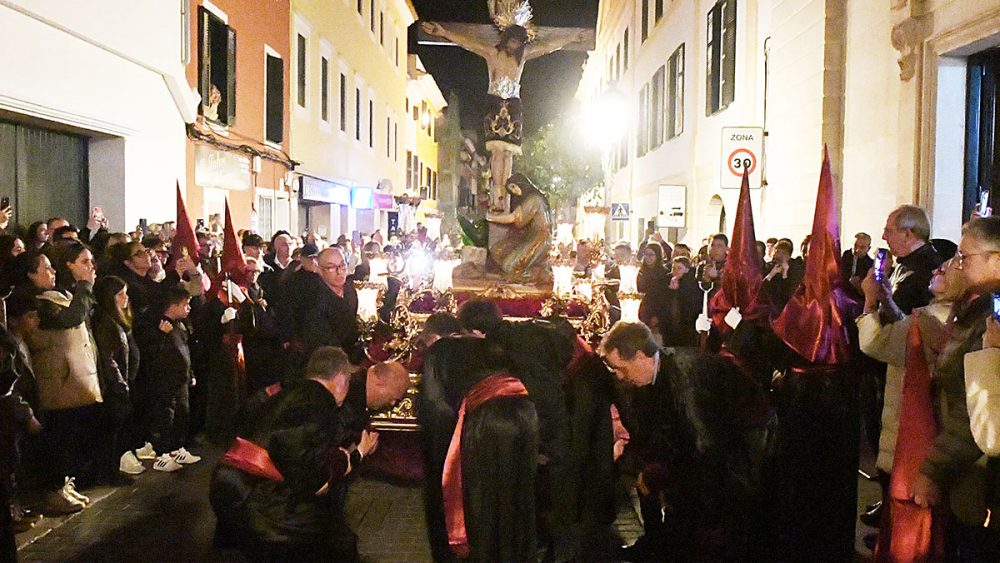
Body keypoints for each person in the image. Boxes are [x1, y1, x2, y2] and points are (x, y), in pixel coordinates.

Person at [599, 321, 771, 561]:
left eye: (620, 368)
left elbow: (705, 445)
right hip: (711, 439)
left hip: (745, 435)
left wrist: (669, 476)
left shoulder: (686, 376)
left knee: (714, 516)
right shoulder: (654, 375)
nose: (619, 376)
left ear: (639, 356)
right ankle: (664, 545)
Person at [211, 346, 377, 561]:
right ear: (340, 379)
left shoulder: (288, 392)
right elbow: (316, 478)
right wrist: (358, 454)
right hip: (255, 498)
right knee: (338, 544)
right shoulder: (319, 405)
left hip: (231, 483)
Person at [421, 13, 587, 210]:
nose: (515, 45)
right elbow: (467, 42)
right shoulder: (492, 53)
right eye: (513, 40)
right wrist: (444, 32)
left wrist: (572, 37)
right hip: (495, 104)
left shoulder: (523, 57)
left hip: (514, 106)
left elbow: (547, 47)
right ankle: (497, 189)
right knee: (497, 151)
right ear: (506, 38)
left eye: (519, 42)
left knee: (508, 153)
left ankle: (504, 191)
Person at [25, 243, 101, 512]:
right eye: (45, 269)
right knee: (58, 437)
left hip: (71, 379)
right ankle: (52, 489)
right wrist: (84, 287)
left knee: (70, 436)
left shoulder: (60, 295)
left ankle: (64, 482)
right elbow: (71, 318)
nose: (52, 272)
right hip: (56, 381)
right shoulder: (38, 304)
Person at [135, 287, 201, 472]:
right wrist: (160, 335)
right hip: (164, 381)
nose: (188, 308)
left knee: (183, 413)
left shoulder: (180, 325)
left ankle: (176, 448)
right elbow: (150, 353)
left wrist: (190, 374)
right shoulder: (155, 325)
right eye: (185, 304)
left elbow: (185, 352)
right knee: (165, 417)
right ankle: (161, 454)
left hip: (181, 379)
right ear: (172, 305)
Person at [92, 276, 142, 481]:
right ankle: (109, 472)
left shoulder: (116, 321)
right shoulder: (106, 323)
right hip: (115, 388)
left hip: (123, 383)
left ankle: (113, 469)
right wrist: (120, 384)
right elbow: (108, 358)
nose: (125, 298)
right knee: (112, 433)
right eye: (120, 294)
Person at [486, 173, 552, 281]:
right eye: (510, 189)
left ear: (522, 184)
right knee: (497, 251)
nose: (513, 191)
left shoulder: (534, 199)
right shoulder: (526, 199)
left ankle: (534, 274)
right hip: (528, 236)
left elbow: (514, 218)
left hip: (540, 238)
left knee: (511, 265)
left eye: (513, 187)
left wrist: (491, 217)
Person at [303, 247, 361, 364]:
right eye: (331, 268)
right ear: (319, 270)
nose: (339, 272)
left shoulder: (353, 290)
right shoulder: (314, 299)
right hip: (329, 363)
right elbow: (322, 340)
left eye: (342, 265)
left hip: (357, 355)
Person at [637, 242, 670, 339]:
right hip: (643, 310)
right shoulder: (641, 272)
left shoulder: (664, 274)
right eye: (646, 254)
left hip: (657, 311)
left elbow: (664, 297)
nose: (648, 257)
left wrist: (657, 316)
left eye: (651, 255)